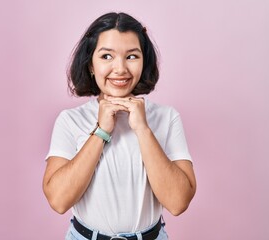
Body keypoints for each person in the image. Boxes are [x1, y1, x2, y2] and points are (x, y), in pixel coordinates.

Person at [43, 12, 196, 240]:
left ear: (144, 62)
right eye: (106, 56)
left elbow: (178, 203)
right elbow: (58, 201)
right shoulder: (70, 120)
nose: (120, 68)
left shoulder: (167, 118)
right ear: (91, 65)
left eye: (132, 56)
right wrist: (101, 131)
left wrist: (143, 129)